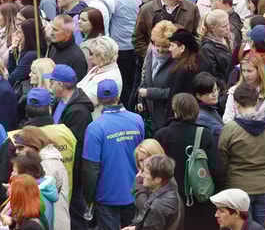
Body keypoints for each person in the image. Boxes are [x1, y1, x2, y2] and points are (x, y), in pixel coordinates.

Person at [81, 79, 144, 230]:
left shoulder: (95, 128)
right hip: (134, 192)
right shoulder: (137, 120)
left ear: (98, 99)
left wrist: (88, 199)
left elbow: (90, 169)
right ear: (118, 95)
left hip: (106, 195)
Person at [154, 94, 225, 228]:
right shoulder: (205, 134)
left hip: (170, 200)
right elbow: (218, 171)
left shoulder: (161, 135)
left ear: (175, 110)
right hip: (201, 200)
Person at [219, 83, 265, 225]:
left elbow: (223, 159)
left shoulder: (230, 129)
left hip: (238, 186)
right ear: (257, 101)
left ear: (235, 103)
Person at [44, 63, 94, 230]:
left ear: (60, 85)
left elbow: (76, 146)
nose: (49, 85)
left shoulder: (78, 111)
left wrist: (73, 176)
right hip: (65, 170)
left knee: (75, 216)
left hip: (72, 173)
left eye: (52, 82)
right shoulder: (62, 103)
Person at [124, 154, 183, 230]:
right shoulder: (171, 190)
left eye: (146, 173)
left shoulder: (158, 205)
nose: (142, 175)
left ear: (157, 179)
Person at [223, 54, 265, 123]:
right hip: (238, 131)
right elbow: (227, 118)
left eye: (249, 71)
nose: (245, 74)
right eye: (243, 71)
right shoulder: (234, 90)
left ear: (259, 71)